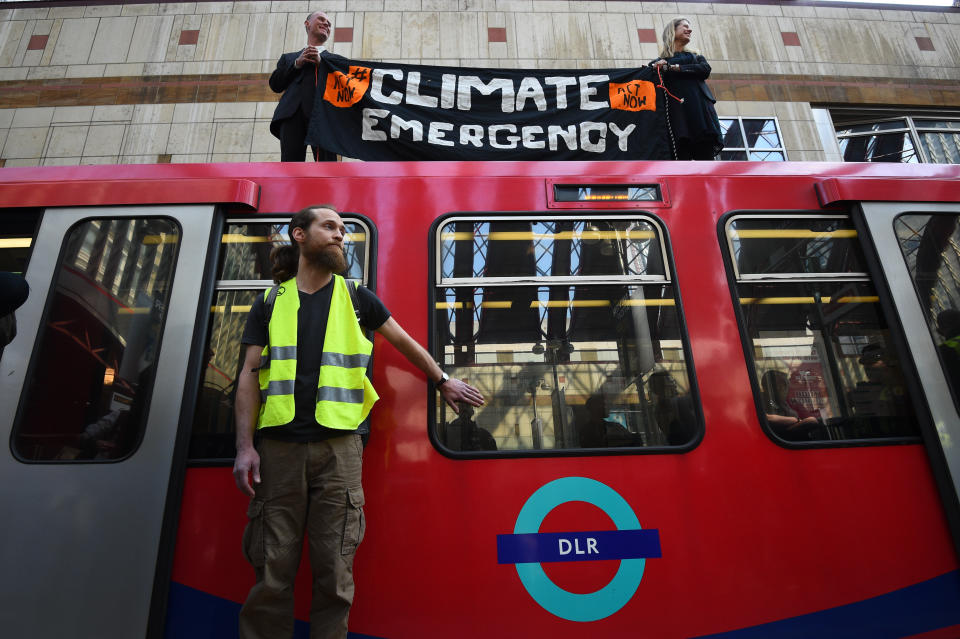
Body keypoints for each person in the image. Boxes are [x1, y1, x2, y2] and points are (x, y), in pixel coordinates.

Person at [233, 205, 484, 639]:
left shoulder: (357, 298)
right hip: (279, 450)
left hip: (340, 450)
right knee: (271, 569)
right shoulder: (270, 302)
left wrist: (443, 380)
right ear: (299, 235)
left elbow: (405, 342)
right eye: (329, 227)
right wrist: (244, 447)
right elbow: (247, 378)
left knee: (335, 570)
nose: (340, 236)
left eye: (344, 230)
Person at [650, 18, 723, 160]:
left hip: (699, 112)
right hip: (677, 115)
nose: (689, 30)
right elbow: (648, 79)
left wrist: (675, 68)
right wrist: (655, 68)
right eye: (685, 26)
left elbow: (705, 69)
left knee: (705, 157)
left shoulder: (696, 57)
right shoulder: (659, 63)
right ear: (673, 31)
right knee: (681, 154)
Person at [269, 10, 338, 162]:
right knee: (290, 166)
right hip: (291, 115)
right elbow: (275, 85)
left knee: (327, 167)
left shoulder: (336, 61)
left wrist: (323, 65)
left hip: (323, 116)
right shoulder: (289, 58)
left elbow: (344, 87)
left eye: (329, 24)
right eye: (321, 19)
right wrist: (296, 64)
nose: (326, 24)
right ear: (307, 24)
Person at [759, 370, 821, 440]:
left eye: (785, 384)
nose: (784, 388)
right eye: (782, 384)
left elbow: (808, 416)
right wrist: (795, 420)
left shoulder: (788, 402)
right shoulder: (762, 399)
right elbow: (765, 417)